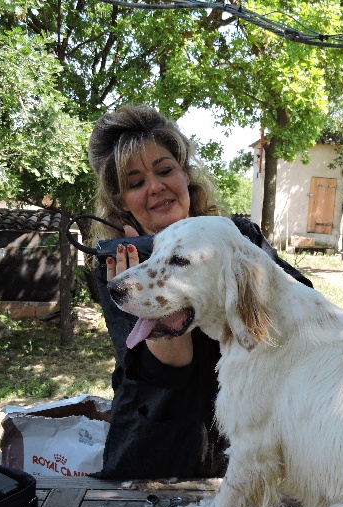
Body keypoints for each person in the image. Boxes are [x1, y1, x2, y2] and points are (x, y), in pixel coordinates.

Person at [87, 104, 312, 480]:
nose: (156, 186)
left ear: (185, 177)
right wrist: (151, 293)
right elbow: (170, 371)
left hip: (251, 442)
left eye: (164, 170)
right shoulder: (120, 266)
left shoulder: (239, 238)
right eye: (136, 182)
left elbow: (299, 306)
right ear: (120, 202)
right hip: (159, 446)